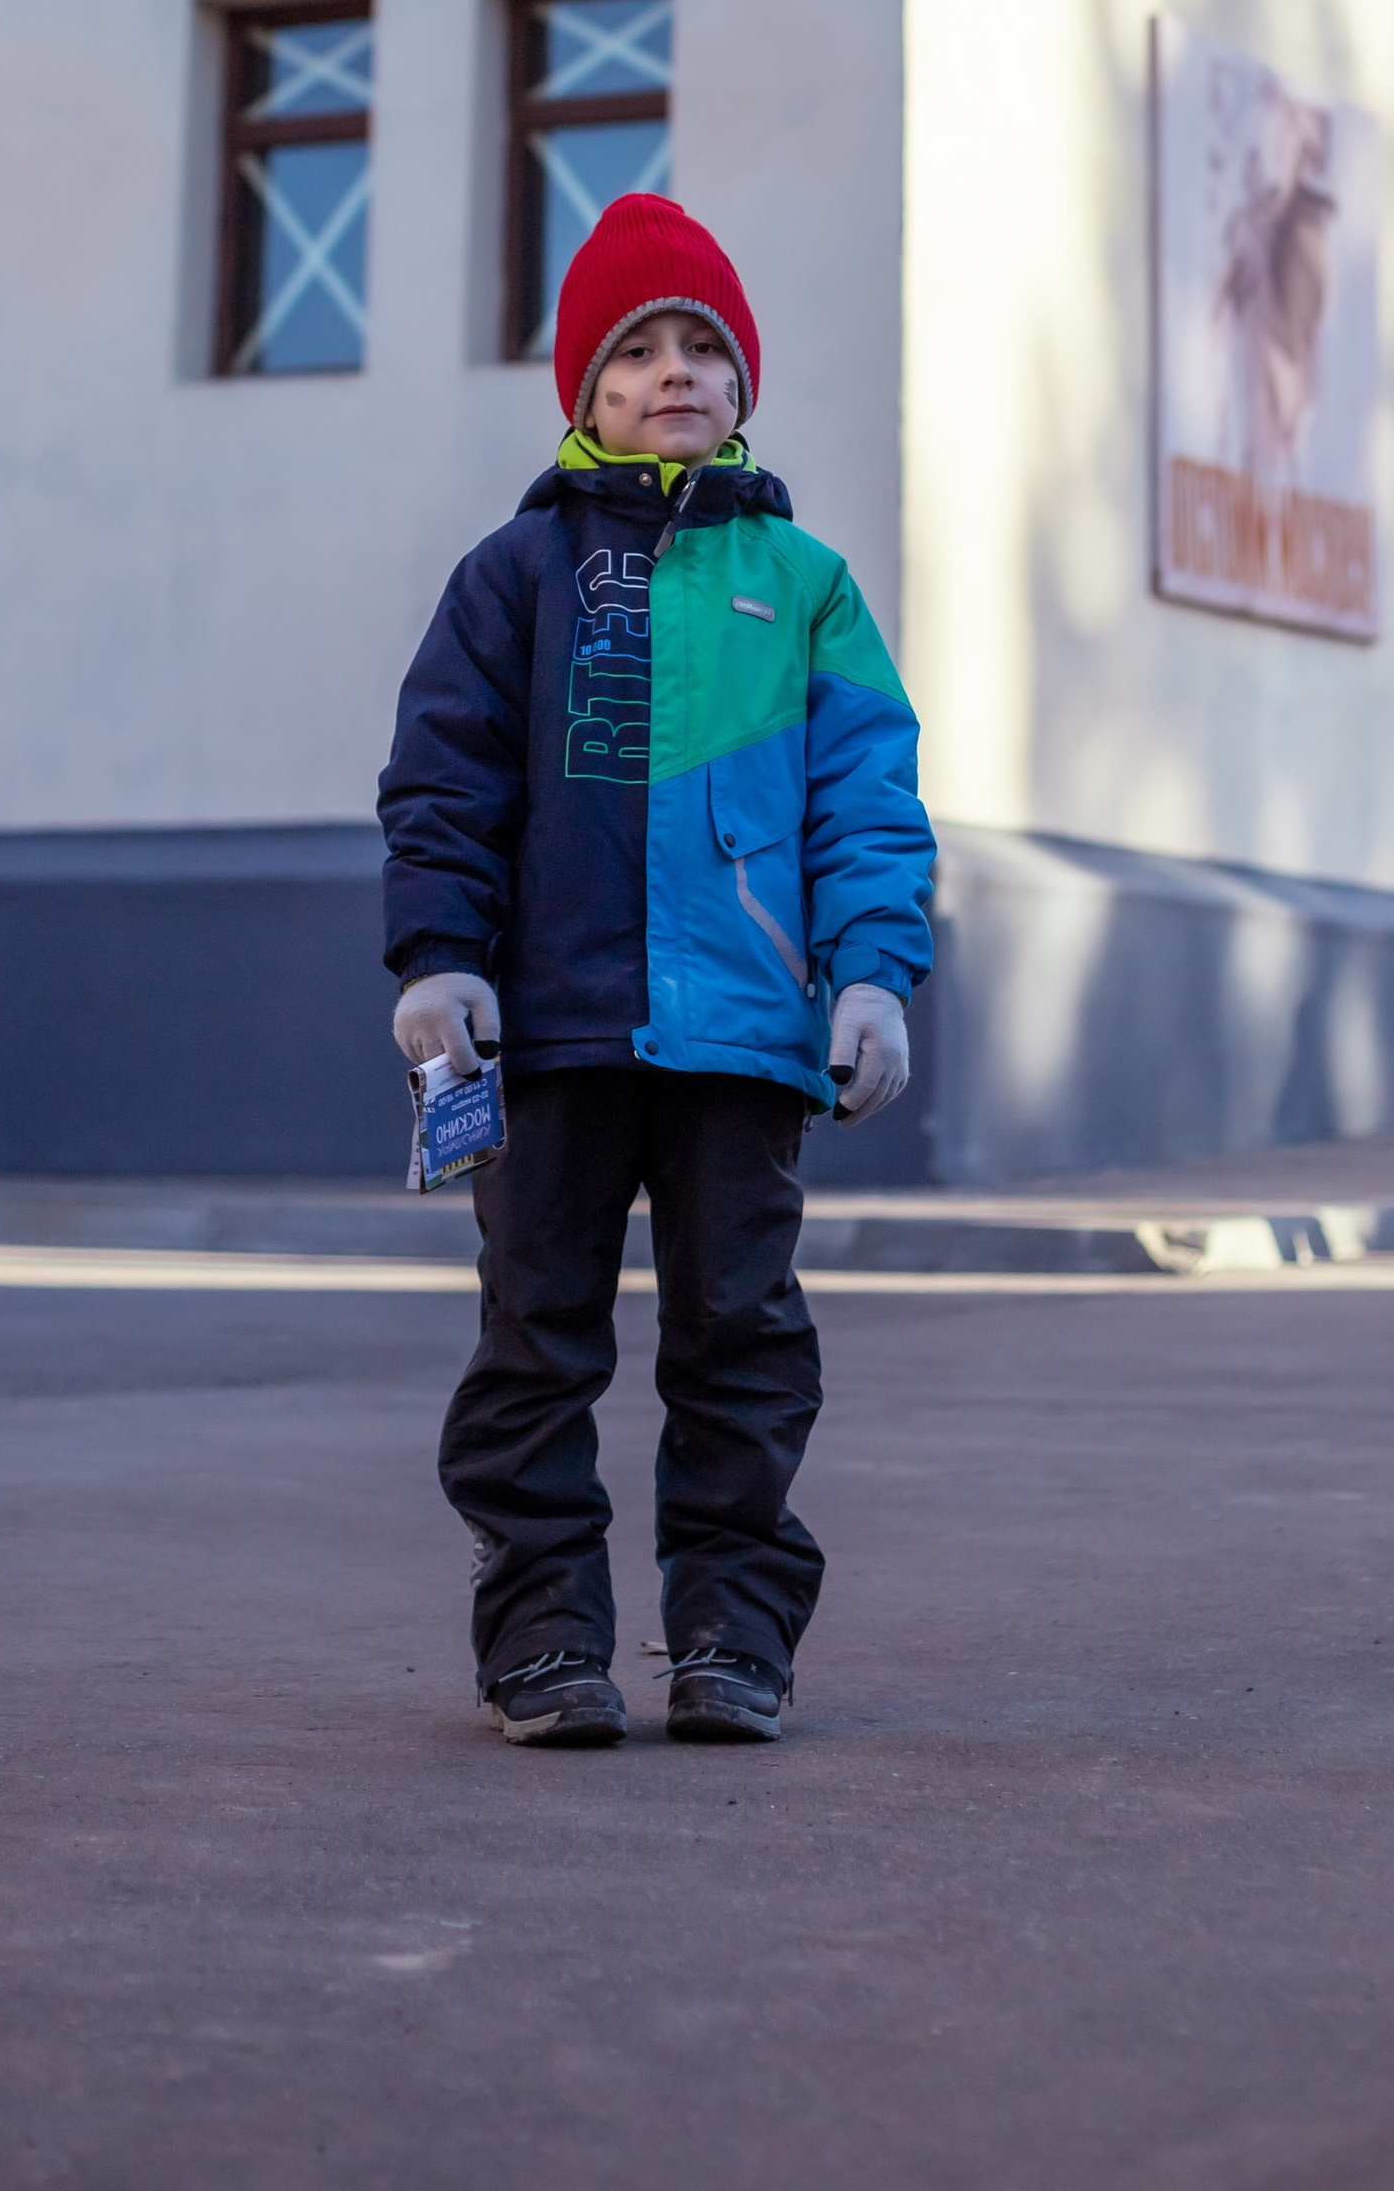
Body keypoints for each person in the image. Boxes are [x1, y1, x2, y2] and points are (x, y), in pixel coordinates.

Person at [377, 193, 936, 1750]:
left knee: (743, 1343)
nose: (673, 374)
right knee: (535, 1339)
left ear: (744, 383)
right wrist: (437, 962)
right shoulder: (517, 574)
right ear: (584, 390)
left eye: (704, 347)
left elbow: (868, 797)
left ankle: (732, 1642)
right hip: (551, 1038)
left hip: (747, 1043)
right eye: (637, 352)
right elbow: (445, 783)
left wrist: (874, 974)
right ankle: (546, 1640)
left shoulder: (806, 583)